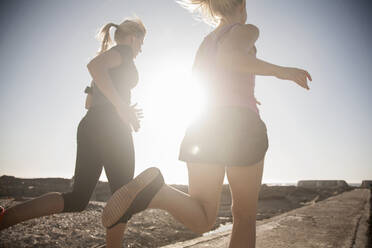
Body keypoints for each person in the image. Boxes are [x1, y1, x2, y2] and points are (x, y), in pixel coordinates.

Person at [102, 0, 312, 247]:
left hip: (203, 124)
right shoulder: (246, 29)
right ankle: (157, 192)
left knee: (202, 217)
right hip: (239, 125)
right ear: (242, 5)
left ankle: (158, 192)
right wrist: (282, 71)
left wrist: (242, 89)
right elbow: (229, 57)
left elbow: (203, 81)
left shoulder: (206, 42)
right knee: (244, 216)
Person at [0, 18, 146, 248]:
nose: (141, 49)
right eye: (141, 42)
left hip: (91, 124)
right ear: (133, 37)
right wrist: (120, 107)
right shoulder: (124, 52)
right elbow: (94, 66)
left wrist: (123, 108)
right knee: (123, 197)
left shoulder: (111, 60)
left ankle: (4, 218)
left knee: (77, 198)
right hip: (112, 128)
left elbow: (89, 103)